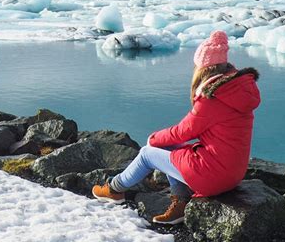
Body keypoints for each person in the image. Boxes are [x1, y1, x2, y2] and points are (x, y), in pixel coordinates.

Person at [92, 30, 261, 224]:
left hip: (214, 177)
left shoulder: (213, 98)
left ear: (203, 68)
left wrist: (153, 139)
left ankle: (114, 189)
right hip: (233, 173)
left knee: (148, 153)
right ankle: (180, 203)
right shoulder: (235, 91)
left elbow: (184, 132)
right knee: (170, 147)